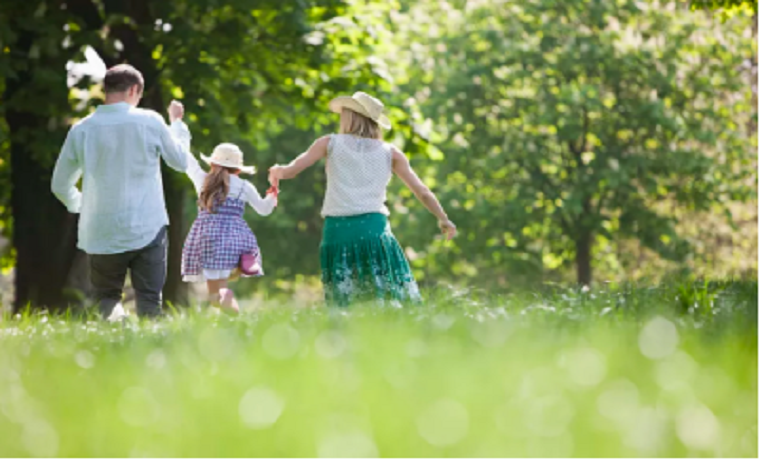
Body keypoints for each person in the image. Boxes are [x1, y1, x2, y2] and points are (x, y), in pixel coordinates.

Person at [268, 91, 457, 306]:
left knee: (345, 300)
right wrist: (443, 218)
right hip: (373, 229)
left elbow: (291, 171)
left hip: (338, 230)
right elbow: (422, 190)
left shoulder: (329, 143)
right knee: (384, 294)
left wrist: (276, 172)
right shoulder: (390, 152)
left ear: (350, 116)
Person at [51, 64, 191, 319]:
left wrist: (81, 205)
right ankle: (150, 353)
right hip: (147, 226)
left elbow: (60, 184)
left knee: (107, 298)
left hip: (100, 228)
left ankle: (111, 347)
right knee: (149, 299)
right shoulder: (150, 121)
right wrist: (178, 125)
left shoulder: (82, 129)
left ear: (106, 90)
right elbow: (180, 162)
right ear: (134, 90)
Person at [181, 143, 278, 314]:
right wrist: (272, 194)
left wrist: (176, 127)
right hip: (233, 241)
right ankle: (234, 318)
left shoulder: (203, 180)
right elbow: (264, 210)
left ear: (212, 164)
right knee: (221, 290)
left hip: (207, 240)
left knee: (214, 296)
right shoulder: (244, 186)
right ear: (238, 170)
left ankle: (234, 316)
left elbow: (187, 160)